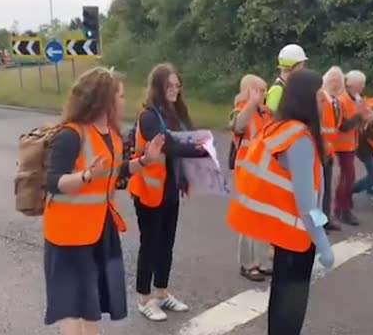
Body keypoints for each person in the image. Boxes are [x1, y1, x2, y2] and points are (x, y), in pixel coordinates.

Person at [43, 67, 165, 335]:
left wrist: (145, 161)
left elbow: (117, 174)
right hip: (68, 234)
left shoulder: (112, 135)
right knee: (71, 305)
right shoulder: (70, 134)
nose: (124, 101)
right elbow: (53, 181)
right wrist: (86, 176)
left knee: (91, 302)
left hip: (98, 230)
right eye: (119, 96)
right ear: (104, 100)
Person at [227, 69, 335, 335]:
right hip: (296, 240)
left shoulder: (283, 128)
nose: (325, 102)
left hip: (286, 237)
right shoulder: (301, 140)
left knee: (281, 307)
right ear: (308, 100)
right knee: (290, 312)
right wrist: (322, 242)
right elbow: (307, 203)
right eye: (320, 97)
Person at [127, 63, 208, 321]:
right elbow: (168, 146)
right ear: (158, 87)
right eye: (169, 85)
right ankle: (143, 298)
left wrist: (200, 146)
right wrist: (200, 150)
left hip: (170, 189)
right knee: (149, 245)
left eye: (177, 85)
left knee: (167, 244)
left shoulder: (177, 113)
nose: (174, 89)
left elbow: (190, 137)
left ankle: (161, 294)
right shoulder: (149, 116)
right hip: (148, 191)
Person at [229, 74, 274, 282]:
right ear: (248, 91)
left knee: (263, 218)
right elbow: (238, 126)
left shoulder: (266, 113)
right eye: (259, 90)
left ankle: (261, 261)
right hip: (247, 171)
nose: (263, 95)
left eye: (264, 91)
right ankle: (247, 264)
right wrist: (251, 104)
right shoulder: (241, 110)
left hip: (265, 171)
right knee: (249, 219)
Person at [319, 66, 365, 230]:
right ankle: (323, 220)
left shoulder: (334, 101)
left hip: (329, 150)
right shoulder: (322, 100)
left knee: (326, 188)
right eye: (339, 82)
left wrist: (359, 117)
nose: (342, 86)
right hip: (323, 150)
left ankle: (326, 218)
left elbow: (342, 126)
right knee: (321, 189)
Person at [334, 70, 368, 225]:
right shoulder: (342, 100)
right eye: (361, 84)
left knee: (348, 177)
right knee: (348, 177)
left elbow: (357, 122)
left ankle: (344, 206)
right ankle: (342, 209)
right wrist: (360, 116)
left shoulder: (355, 98)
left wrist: (364, 118)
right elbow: (343, 125)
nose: (363, 87)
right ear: (353, 84)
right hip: (342, 143)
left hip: (350, 142)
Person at [264, 44, 308, 112]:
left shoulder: (287, 86)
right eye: (302, 65)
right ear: (297, 66)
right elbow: (270, 119)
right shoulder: (277, 89)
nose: (303, 68)